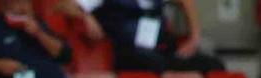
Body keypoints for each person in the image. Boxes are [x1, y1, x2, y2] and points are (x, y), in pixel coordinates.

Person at [68, 0, 225, 73]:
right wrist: (86, 16)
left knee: (212, 65)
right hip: (126, 51)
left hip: (160, 49)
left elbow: (186, 2)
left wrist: (194, 36)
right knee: (153, 62)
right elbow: (65, 5)